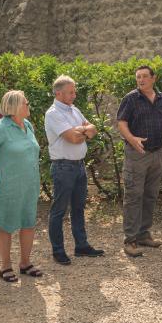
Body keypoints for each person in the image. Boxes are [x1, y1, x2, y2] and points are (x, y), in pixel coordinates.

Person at [116, 65, 162, 257]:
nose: (141, 80)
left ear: (154, 78)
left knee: (150, 195)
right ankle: (130, 240)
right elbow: (121, 123)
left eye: (144, 76)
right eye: (138, 77)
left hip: (158, 152)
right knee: (134, 196)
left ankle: (144, 234)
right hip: (137, 154)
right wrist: (132, 139)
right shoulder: (130, 99)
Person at [0, 90, 43, 282]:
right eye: (26, 103)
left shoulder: (27, 125)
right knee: (6, 223)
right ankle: (5, 266)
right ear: (15, 106)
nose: (29, 106)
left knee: (28, 222)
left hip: (29, 183)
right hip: (7, 183)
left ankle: (25, 263)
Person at [45, 76, 105, 265]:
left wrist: (82, 131)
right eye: (71, 92)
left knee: (78, 208)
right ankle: (58, 251)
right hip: (63, 166)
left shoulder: (74, 110)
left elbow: (93, 129)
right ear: (59, 93)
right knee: (59, 210)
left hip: (79, 165)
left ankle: (81, 246)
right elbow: (73, 138)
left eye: (74, 91)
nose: (74, 95)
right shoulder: (53, 113)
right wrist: (82, 131)